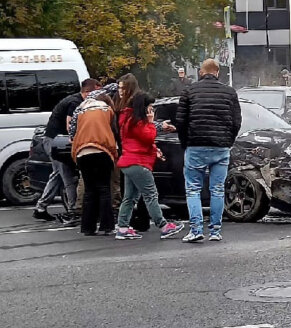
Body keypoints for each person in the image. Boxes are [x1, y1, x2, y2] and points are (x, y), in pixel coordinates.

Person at [174, 58, 242, 243]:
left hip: (196, 146)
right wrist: (228, 141)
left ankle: (196, 229)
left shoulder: (189, 91)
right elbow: (236, 121)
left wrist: (185, 143)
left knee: (193, 189)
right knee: (218, 189)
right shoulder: (229, 92)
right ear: (217, 72)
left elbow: (180, 121)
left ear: (201, 72)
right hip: (220, 148)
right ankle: (215, 231)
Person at [114, 93, 183, 240]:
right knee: (151, 195)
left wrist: (154, 149)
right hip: (138, 163)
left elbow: (140, 142)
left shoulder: (128, 119)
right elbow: (149, 136)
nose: (152, 111)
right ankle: (163, 225)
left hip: (128, 161)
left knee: (130, 197)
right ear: (143, 108)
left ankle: (123, 227)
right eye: (150, 107)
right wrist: (151, 122)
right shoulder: (137, 122)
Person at [33, 78, 100, 221]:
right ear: (88, 92)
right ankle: (72, 210)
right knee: (67, 175)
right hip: (56, 142)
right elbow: (70, 125)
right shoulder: (75, 103)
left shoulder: (74, 99)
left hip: (53, 140)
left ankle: (41, 207)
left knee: (57, 175)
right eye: (96, 93)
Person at [69, 92, 119, 236]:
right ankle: (107, 225)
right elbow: (114, 131)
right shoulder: (107, 110)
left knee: (90, 191)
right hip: (102, 151)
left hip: (82, 152)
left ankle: (87, 227)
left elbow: (73, 131)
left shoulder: (81, 111)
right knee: (104, 189)